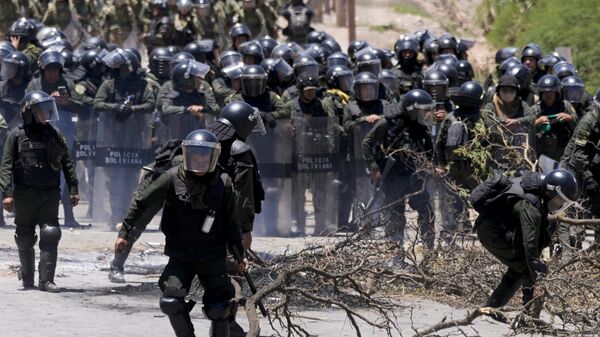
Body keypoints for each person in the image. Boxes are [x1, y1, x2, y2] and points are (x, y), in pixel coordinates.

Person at [114, 129, 247, 337]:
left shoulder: (224, 183)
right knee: (170, 302)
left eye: (205, 155)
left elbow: (232, 223)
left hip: (212, 255)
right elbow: (141, 201)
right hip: (181, 255)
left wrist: (240, 255)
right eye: (196, 154)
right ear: (187, 155)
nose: (200, 159)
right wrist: (124, 232)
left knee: (219, 308)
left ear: (213, 156)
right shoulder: (172, 178)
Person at [0, 91, 79, 292]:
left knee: (51, 233)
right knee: (25, 236)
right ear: (28, 112)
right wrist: (7, 194)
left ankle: (46, 281)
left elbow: (67, 162)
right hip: (24, 194)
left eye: (47, 110)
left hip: (49, 193)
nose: (45, 114)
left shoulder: (54, 133)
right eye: (40, 111)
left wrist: (73, 188)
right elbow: (6, 166)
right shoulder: (16, 135)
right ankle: (27, 278)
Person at [476, 169, 578, 316]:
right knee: (525, 267)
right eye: (560, 200)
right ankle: (528, 313)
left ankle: (491, 306)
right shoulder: (531, 207)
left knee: (522, 265)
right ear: (551, 191)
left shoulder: (538, 186)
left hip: (502, 226)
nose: (560, 204)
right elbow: (529, 247)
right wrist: (538, 272)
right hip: (491, 233)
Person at [362, 89, 436, 247]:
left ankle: (430, 252)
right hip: (393, 175)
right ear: (412, 109)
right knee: (396, 216)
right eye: (422, 111)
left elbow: (429, 150)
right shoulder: (387, 122)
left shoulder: (420, 125)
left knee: (427, 211)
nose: (425, 114)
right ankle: (395, 255)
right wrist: (374, 168)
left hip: (415, 175)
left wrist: (429, 166)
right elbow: (366, 144)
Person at [532, 74, 577, 161]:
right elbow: (525, 127)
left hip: (563, 148)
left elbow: (578, 123)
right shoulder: (536, 108)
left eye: (550, 92)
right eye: (545, 92)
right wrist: (538, 121)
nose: (547, 95)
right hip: (543, 150)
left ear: (556, 92)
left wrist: (569, 117)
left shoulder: (565, 105)